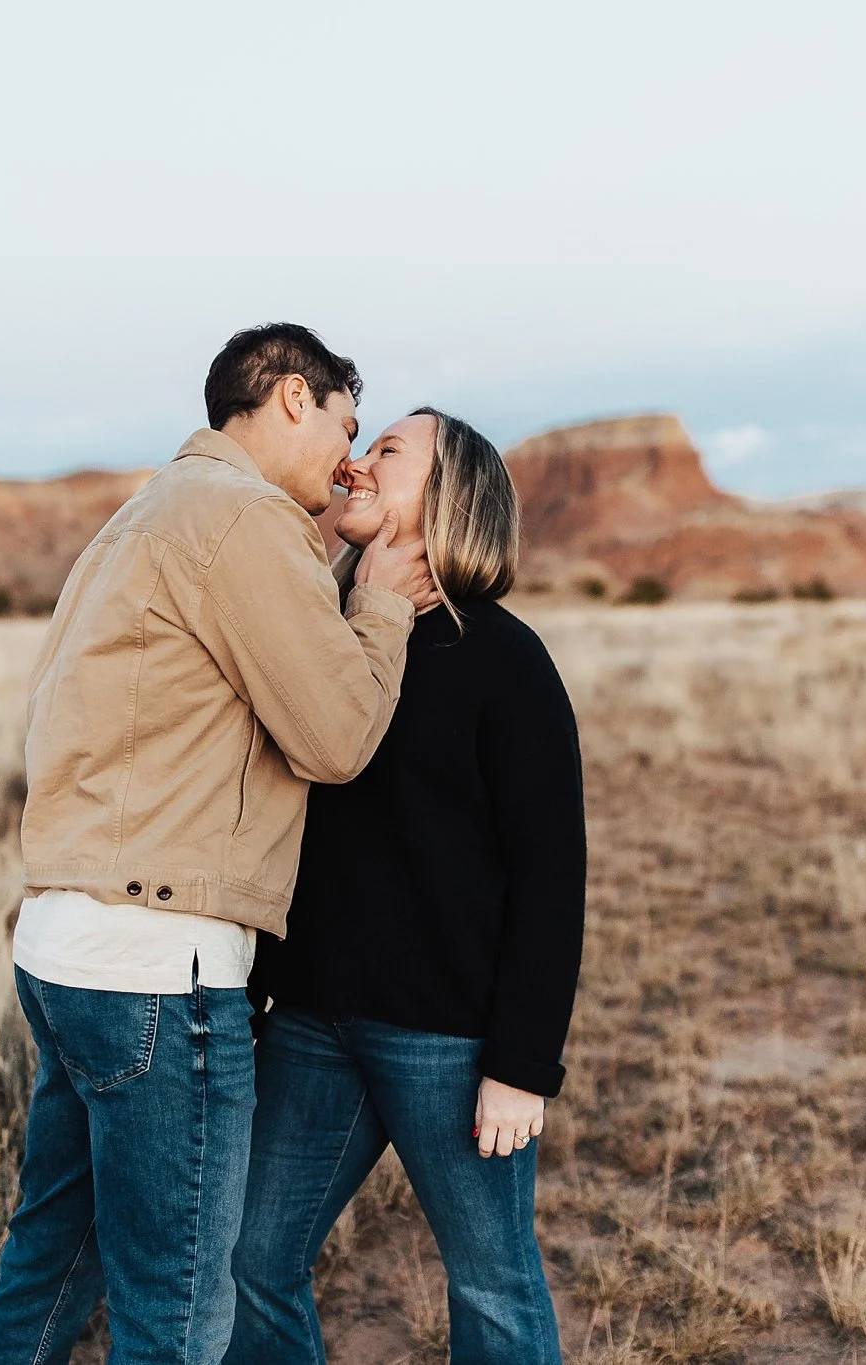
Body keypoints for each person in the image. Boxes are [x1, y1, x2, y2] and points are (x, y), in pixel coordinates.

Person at [0, 324, 439, 1365]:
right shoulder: (243, 518)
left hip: (62, 951)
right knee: (175, 1313)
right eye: (346, 426)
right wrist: (379, 606)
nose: (349, 460)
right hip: (157, 968)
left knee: (48, 1268)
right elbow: (335, 738)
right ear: (292, 397)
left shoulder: (146, 514)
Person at [226, 408, 588, 1365]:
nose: (358, 461)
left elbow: (553, 876)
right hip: (310, 1023)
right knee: (249, 1258)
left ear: (447, 498)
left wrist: (522, 1065)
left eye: (387, 451)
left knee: (492, 1284)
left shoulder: (505, 660)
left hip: (449, 1042)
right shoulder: (328, 643)